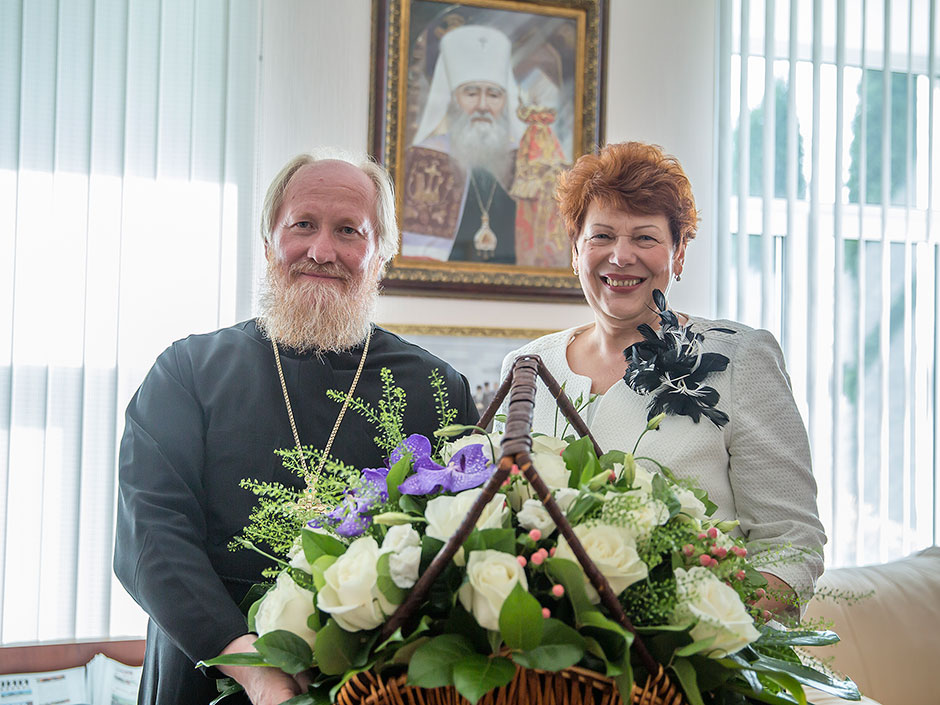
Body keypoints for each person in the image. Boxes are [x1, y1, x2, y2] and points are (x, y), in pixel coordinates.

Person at [114, 150, 478, 705]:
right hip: (202, 670)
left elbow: (457, 550)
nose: (321, 251)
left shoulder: (438, 388)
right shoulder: (187, 372)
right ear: (268, 244)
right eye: (302, 225)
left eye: (348, 231)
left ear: (381, 255)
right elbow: (151, 534)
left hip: (370, 684)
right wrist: (250, 664)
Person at [500, 141, 826, 619]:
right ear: (575, 251)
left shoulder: (740, 359)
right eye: (601, 236)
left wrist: (705, 633)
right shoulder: (526, 366)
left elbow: (792, 543)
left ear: (678, 254)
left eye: (645, 238)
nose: (621, 256)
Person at [400, 24, 524, 264]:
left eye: (494, 95)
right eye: (471, 93)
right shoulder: (422, 157)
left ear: (505, 102)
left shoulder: (525, 162)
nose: (483, 106)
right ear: (453, 100)